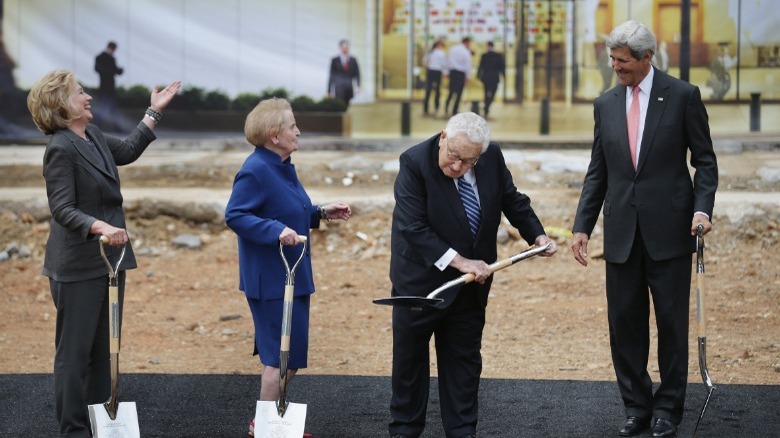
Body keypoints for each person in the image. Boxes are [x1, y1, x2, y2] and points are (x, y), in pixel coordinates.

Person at [571, 20, 718, 438]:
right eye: (612, 60)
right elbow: (597, 171)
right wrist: (582, 226)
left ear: (647, 57)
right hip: (620, 236)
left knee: (671, 326)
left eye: (623, 61)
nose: (616, 67)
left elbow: (704, 162)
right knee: (624, 326)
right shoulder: (604, 104)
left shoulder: (683, 96)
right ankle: (637, 407)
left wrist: (703, 210)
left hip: (671, 233)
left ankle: (668, 410)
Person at [27, 69, 180, 438]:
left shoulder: (91, 134)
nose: (88, 96)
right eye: (80, 92)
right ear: (62, 104)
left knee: (103, 350)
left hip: (110, 261)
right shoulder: (60, 148)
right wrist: (100, 227)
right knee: (74, 354)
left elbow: (127, 150)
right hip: (78, 265)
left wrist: (153, 111)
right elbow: (62, 209)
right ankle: (74, 430)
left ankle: (100, 424)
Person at [388, 111, 557, 438]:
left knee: (464, 366)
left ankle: (462, 432)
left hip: (471, 285)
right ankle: (405, 432)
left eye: (468, 162)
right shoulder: (414, 163)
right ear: (443, 137)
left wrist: (537, 235)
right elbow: (413, 227)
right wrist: (461, 262)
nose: (457, 167)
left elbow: (512, 200)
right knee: (409, 369)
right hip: (420, 285)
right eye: (454, 157)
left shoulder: (489, 155)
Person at [224, 98, 352, 437]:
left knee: (288, 357)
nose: (298, 131)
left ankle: (272, 425)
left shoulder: (283, 165)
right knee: (279, 358)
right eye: (292, 126)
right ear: (273, 135)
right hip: (271, 279)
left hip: (293, 275)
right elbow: (235, 215)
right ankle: (263, 427)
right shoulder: (255, 169)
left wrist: (321, 212)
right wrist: (275, 231)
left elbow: (289, 209)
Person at [94, 41, 125, 132]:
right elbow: (100, 69)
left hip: (108, 87)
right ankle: (98, 127)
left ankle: (116, 128)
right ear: (112, 48)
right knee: (105, 108)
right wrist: (114, 70)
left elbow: (114, 70)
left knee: (111, 109)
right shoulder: (102, 57)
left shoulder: (107, 58)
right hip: (106, 87)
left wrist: (118, 70)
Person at [327, 39, 361, 108]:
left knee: (346, 105)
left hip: (349, 87)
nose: (345, 49)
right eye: (343, 48)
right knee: (339, 105)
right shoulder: (334, 60)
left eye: (346, 48)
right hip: (338, 88)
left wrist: (358, 86)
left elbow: (357, 73)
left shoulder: (353, 60)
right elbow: (331, 75)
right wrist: (329, 90)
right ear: (340, 48)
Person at [444, 37, 473, 117]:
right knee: (459, 93)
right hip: (461, 74)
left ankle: (446, 107)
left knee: (451, 91)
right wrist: (467, 77)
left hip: (453, 73)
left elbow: (448, 60)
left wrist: (446, 72)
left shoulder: (453, 49)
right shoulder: (466, 52)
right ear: (467, 43)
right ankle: (454, 110)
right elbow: (468, 65)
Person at [476, 41, 505, 119]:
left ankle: (486, 105)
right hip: (495, 77)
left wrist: (478, 75)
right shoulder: (498, 56)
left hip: (486, 77)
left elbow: (480, 66)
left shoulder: (484, 56)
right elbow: (502, 68)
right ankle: (487, 106)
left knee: (486, 92)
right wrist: (504, 76)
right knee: (493, 93)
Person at [423, 38, 446, 116]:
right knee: (437, 90)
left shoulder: (430, 53)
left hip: (430, 71)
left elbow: (424, 61)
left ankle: (425, 107)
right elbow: (444, 64)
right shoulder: (441, 53)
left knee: (428, 90)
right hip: (438, 72)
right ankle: (436, 106)